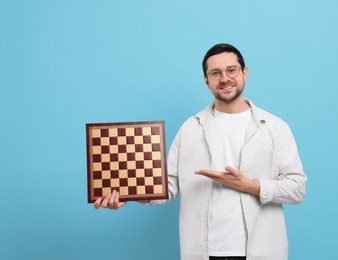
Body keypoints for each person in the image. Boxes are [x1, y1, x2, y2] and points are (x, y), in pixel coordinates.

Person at [95, 43, 307, 260]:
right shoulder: (190, 128)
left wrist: (250, 186)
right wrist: (130, 194)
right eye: (215, 73)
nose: (224, 78)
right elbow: (167, 186)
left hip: (262, 251)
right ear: (207, 81)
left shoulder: (274, 127)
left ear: (245, 73)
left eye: (231, 70)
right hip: (203, 252)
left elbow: (297, 188)